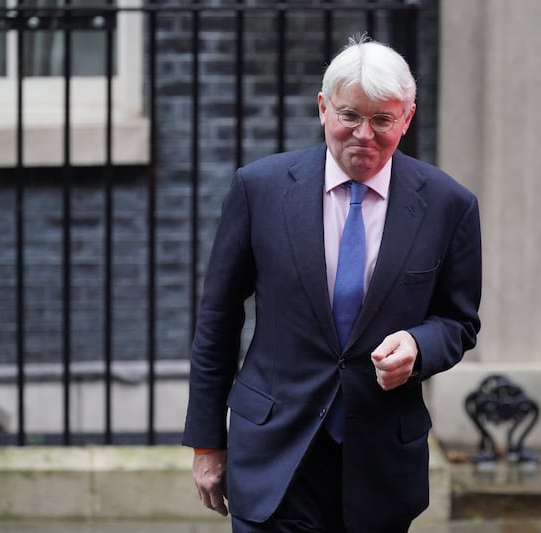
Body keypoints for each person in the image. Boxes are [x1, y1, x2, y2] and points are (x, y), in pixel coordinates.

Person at [183, 35, 482, 533]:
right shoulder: (260, 189)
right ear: (323, 109)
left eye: (383, 119)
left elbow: (458, 321)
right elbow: (217, 320)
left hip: (380, 460)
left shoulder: (449, 205)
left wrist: (417, 344)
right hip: (275, 451)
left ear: (407, 118)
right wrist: (207, 444)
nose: (364, 134)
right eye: (349, 115)